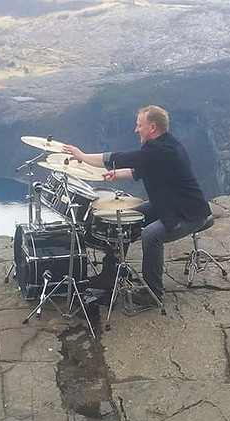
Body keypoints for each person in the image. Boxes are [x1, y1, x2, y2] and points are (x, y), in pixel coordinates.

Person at [63, 105, 211, 305]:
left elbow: (120, 158)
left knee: (151, 236)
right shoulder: (164, 146)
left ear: (152, 127)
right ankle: (110, 274)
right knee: (120, 221)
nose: (135, 129)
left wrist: (83, 157)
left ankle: (152, 293)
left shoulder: (160, 150)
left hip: (188, 213)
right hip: (167, 204)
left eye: (139, 125)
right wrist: (117, 174)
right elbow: (139, 169)